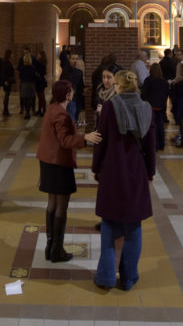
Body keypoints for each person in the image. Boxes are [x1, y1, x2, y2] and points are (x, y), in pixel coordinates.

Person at [92, 70, 157, 290]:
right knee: (133, 225)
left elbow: (101, 139)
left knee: (109, 223)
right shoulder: (146, 108)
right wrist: (150, 171)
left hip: (113, 168)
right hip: (137, 170)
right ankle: (129, 278)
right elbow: (151, 145)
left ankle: (107, 277)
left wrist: (95, 166)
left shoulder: (111, 107)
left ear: (119, 86)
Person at [37, 80, 101, 262]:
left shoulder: (52, 108)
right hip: (58, 163)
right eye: (71, 91)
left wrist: (76, 129)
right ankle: (57, 249)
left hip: (47, 161)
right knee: (61, 206)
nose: (73, 92)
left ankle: (50, 247)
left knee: (52, 203)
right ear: (67, 95)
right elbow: (65, 141)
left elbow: (59, 134)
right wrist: (85, 138)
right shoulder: (61, 114)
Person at [141, 63, 169, 150]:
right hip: (160, 106)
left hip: (150, 106)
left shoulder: (148, 80)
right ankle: (161, 144)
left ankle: (154, 145)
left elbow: (144, 94)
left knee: (152, 126)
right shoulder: (164, 81)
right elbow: (166, 93)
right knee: (160, 125)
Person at [59, 53, 85, 122]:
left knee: (76, 118)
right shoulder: (66, 70)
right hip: (70, 98)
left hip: (78, 98)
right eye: (73, 59)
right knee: (71, 119)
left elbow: (81, 85)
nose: (75, 61)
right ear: (69, 59)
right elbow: (61, 82)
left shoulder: (79, 71)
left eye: (76, 59)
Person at [17, 51, 36, 120]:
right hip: (31, 84)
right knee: (30, 98)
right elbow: (34, 76)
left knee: (24, 98)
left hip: (24, 83)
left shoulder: (22, 68)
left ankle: (27, 112)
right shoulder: (33, 67)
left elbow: (20, 76)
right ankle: (29, 111)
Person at [1, 49, 16, 117]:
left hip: (8, 80)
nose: (12, 55)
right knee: (6, 95)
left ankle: (6, 110)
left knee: (7, 95)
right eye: (12, 54)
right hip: (7, 81)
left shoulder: (7, 61)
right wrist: (5, 81)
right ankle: (5, 110)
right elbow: (4, 72)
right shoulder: (6, 62)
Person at [35, 50, 49, 117]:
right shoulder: (43, 63)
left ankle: (44, 110)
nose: (37, 55)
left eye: (38, 54)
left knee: (41, 97)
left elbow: (38, 72)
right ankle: (40, 110)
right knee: (41, 96)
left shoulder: (38, 63)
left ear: (41, 55)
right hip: (42, 81)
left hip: (39, 81)